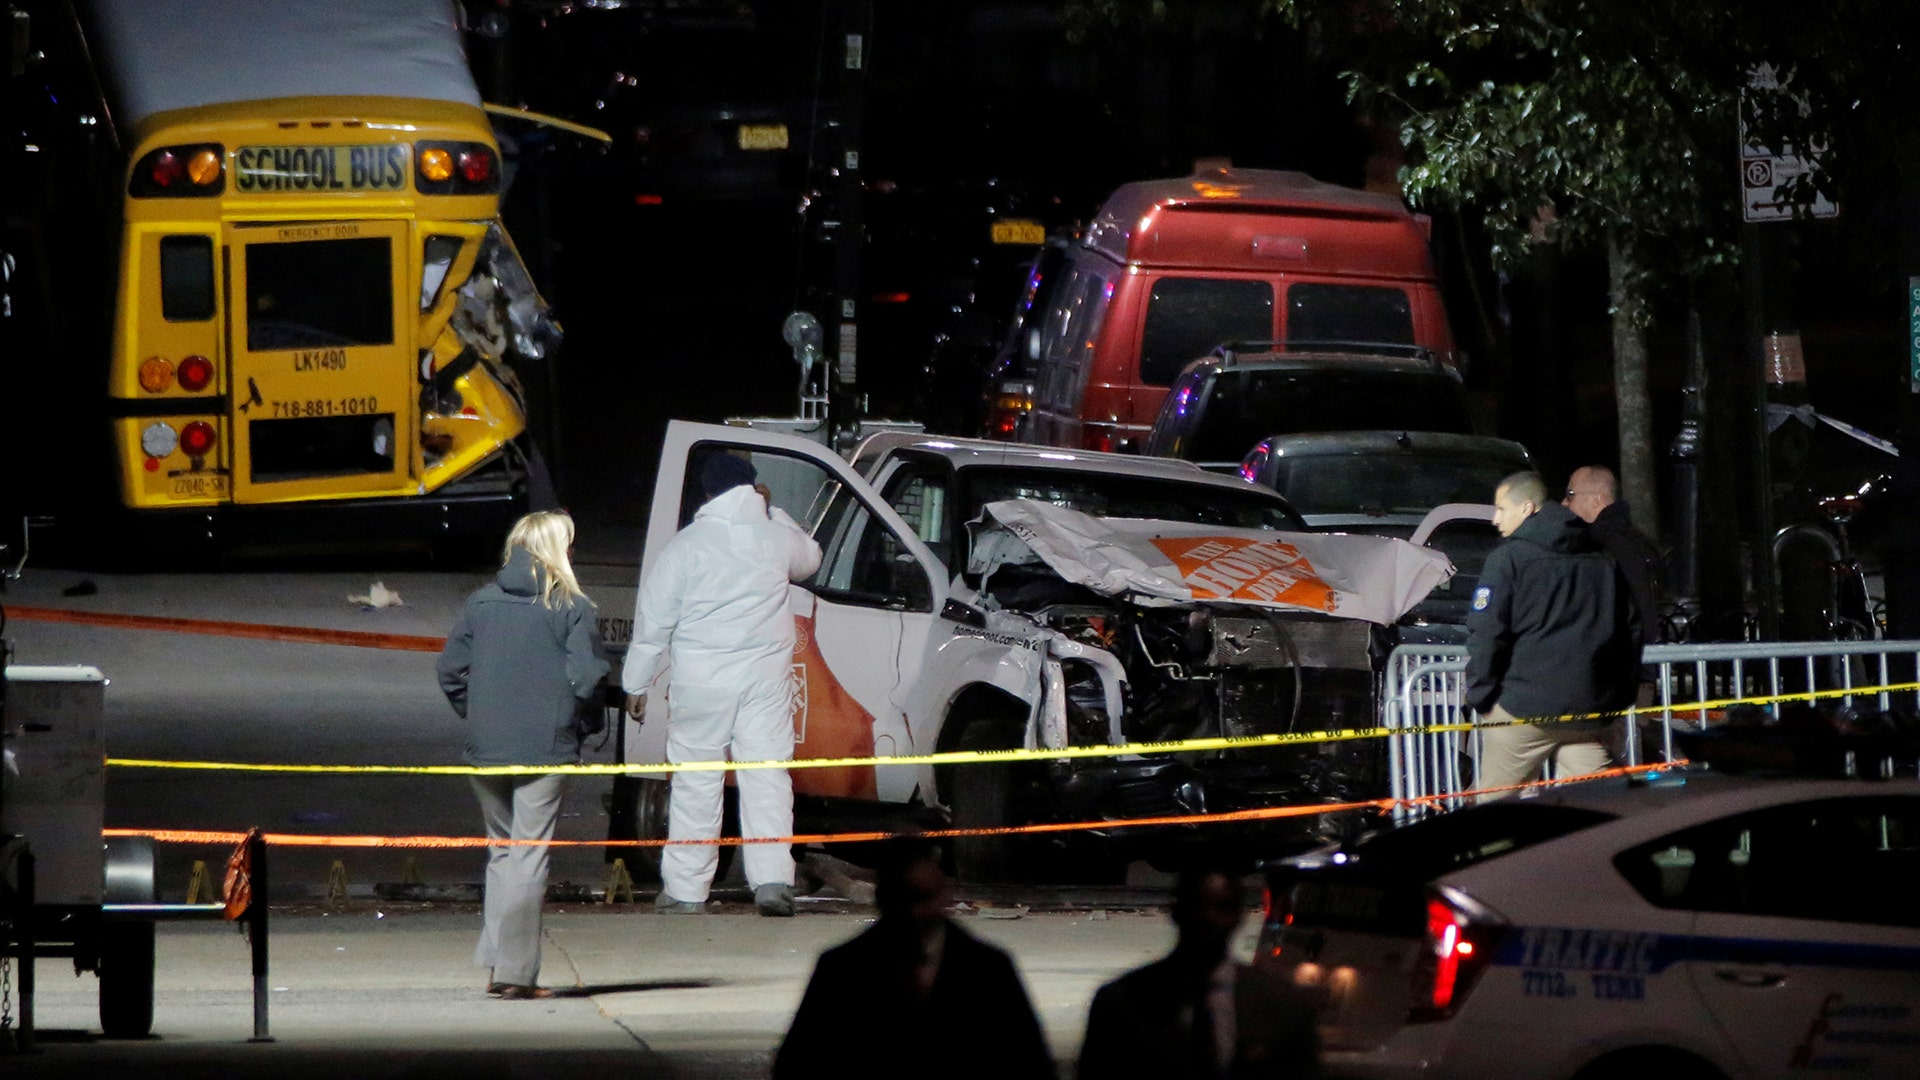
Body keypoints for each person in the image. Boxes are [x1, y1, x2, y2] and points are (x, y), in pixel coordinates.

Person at [623, 453, 823, 916]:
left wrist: (636, 683)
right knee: (767, 777)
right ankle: (773, 880)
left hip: (701, 684)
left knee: (696, 782)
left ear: (708, 494)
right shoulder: (775, 538)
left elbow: (653, 623)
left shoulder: (687, 546)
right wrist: (775, 512)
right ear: (753, 490)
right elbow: (810, 557)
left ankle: (687, 890)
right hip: (764, 684)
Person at [437, 510, 609, 999]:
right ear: (557, 550)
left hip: (485, 750)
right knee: (529, 857)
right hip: (543, 750)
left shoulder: (480, 602)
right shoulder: (570, 606)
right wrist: (585, 721)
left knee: (501, 853)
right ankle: (516, 974)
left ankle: (496, 966)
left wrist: (477, 714)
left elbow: (450, 671)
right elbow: (589, 676)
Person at [773, 837, 1057, 1080]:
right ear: (886, 898)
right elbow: (797, 1064)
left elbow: (1030, 1063)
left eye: (925, 898)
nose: (918, 912)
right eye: (909, 898)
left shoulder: (988, 970)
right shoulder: (840, 970)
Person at [1466, 471, 1638, 802]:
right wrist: (1616, 697)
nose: (1495, 518)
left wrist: (1482, 694)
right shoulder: (1601, 559)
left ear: (1528, 508)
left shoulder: (1508, 559)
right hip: (1586, 709)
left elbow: (1487, 632)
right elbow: (1629, 631)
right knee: (1597, 811)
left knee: (1494, 814)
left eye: (1502, 508)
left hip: (1522, 708)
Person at [1079, 867, 1320, 1080]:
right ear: (1177, 911)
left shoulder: (1281, 1003)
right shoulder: (1122, 1004)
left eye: (1221, 908)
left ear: (1239, 916)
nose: (1208, 919)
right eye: (1198, 906)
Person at [1562, 465, 1667, 647]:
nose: (1564, 502)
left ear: (1597, 500)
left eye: (1571, 494)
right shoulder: (1638, 542)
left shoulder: (1599, 545)